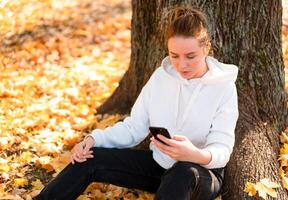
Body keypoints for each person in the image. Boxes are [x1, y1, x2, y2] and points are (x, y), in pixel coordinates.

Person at [34, 6, 239, 200]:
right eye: (174, 55)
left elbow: (221, 151)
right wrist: (94, 140)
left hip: (199, 174)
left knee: (183, 172)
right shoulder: (161, 77)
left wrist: (194, 154)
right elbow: (134, 127)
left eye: (190, 56)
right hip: (159, 165)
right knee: (90, 158)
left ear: (206, 48)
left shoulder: (223, 87)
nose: (181, 65)